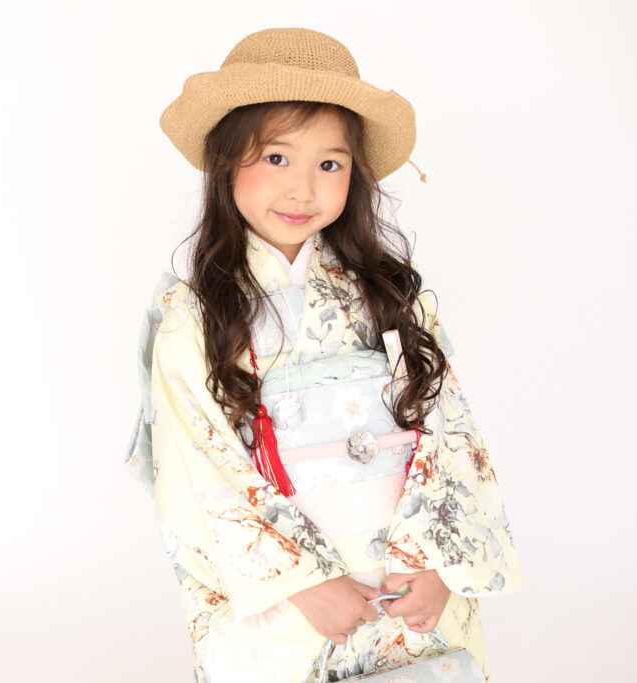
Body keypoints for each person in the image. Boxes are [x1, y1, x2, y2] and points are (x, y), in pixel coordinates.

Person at [125, 27, 520, 682]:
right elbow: (196, 465)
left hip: (405, 575)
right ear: (225, 161)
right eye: (277, 157)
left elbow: (450, 432)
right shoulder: (192, 319)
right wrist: (303, 580)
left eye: (330, 164)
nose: (302, 188)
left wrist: (436, 560)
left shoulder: (392, 299)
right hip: (286, 602)